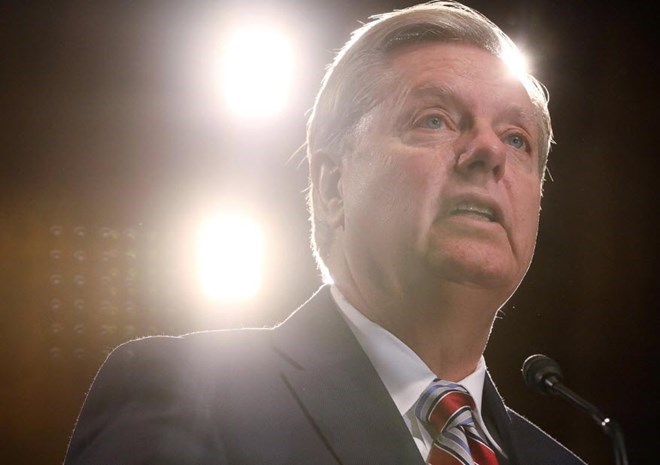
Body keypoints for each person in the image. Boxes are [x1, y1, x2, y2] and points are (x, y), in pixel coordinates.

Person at [65, 2, 585, 464]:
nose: (490, 152)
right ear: (333, 185)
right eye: (435, 120)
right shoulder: (189, 396)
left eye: (518, 139)